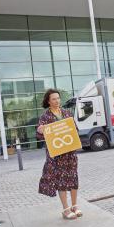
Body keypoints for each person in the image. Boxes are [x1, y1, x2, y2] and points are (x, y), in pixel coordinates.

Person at [36, 89, 81, 219]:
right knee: (61, 181)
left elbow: (75, 130)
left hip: (70, 153)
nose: (57, 101)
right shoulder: (45, 117)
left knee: (73, 178)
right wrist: (40, 131)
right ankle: (66, 209)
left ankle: (75, 206)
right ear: (48, 101)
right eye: (54, 99)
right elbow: (39, 135)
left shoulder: (67, 113)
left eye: (58, 98)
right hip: (57, 155)